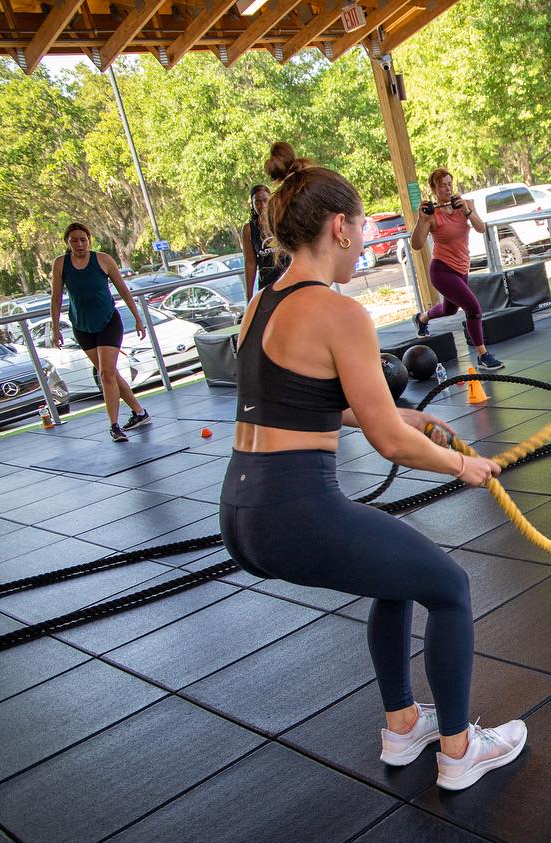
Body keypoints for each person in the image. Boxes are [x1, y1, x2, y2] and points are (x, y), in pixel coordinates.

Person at [219, 142, 524, 792]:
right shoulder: (338, 310)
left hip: (241, 514)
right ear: (339, 227)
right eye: (361, 229)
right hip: (295, 511)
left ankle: (403, 723)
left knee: (394, 577)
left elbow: (310, 402)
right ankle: (461, 751)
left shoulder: (262, 303)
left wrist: (404, 416)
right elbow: (388, 443)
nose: (364, 242)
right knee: (450, 588)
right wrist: (459, 466)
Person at [50, 223, 149, 442]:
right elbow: (56, 298)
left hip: (108, 322)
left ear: (89, 240)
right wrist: (55, 328)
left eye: (83, 239)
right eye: (74, 240)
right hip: (82, 325)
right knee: (109, 373)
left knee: (106, 374)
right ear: (67, 242)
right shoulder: (60, 264)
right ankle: (140, 412)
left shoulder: (103, 259)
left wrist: (138, 318)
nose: (79, 244)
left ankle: (114, 426)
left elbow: (123, 289)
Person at [408, 168, 505, 371]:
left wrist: (467, 212)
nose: (447, 188)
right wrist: (421, 220)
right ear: (434, 189)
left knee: (449, 309)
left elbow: (481, 228)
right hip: (442, 270)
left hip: (462, 268)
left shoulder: (466, 205)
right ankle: (483, 355)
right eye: (442, 185)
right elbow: (416, 245)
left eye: (450, 183)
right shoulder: (432, 215)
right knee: (473, 307)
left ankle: (422, 318)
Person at [241, 184, 287, 294]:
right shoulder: (249, 229)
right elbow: (250, 263)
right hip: (267, 285)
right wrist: (249, 295)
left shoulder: (283, 221)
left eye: (265, 200)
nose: (262, 205)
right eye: (257, 202)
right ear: (252, 204)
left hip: (289, 280)